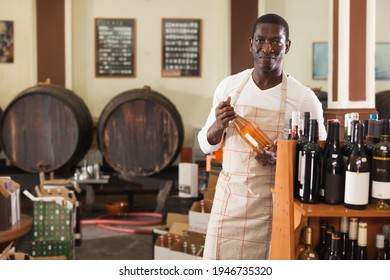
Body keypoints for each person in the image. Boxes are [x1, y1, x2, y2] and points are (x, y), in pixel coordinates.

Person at [197, 13, 327, 260]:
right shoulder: (230, 87)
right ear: (251, 44)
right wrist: (218, 125)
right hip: (229, 203)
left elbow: (318, 155)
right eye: (261, 40)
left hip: (271, 207)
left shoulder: (303, 98)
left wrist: (285, 157)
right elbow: (205, 144)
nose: (267, 48)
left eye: (276, 41)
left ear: (287, 46)